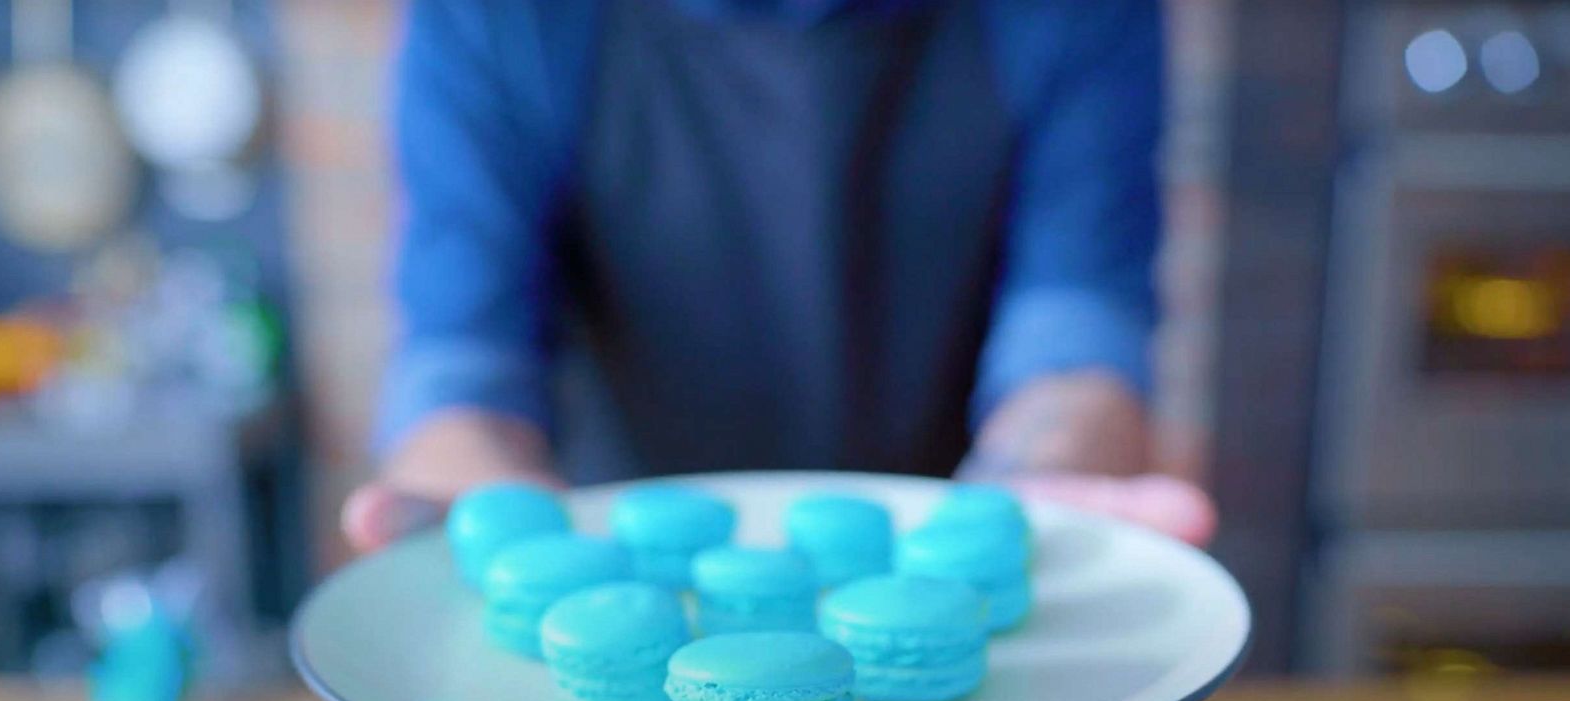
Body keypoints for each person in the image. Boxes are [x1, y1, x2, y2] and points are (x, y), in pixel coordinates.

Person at [342, 0, 1216, 553]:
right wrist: (477, 490)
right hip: (619, 564)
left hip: (952, 571)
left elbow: (1078, 307)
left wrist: (1049, 479)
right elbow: (465, 343)